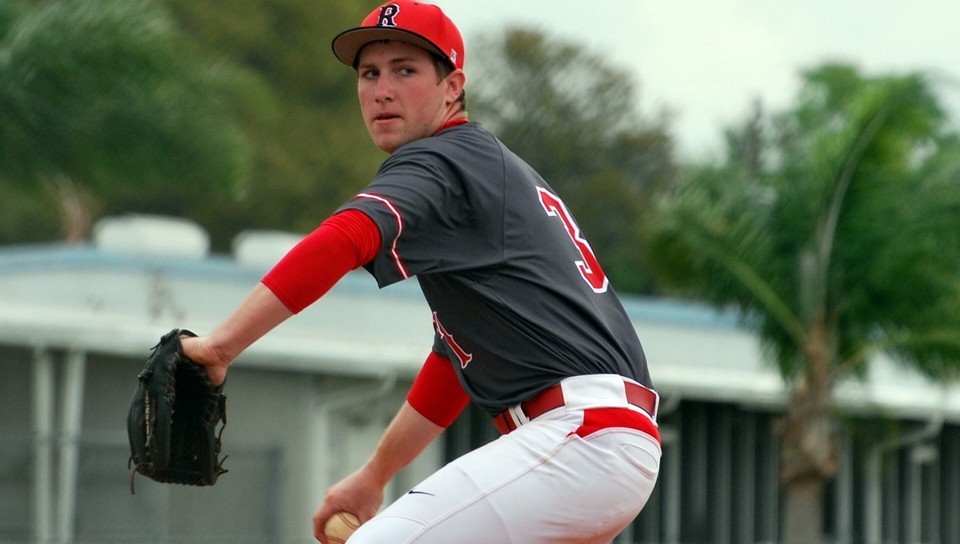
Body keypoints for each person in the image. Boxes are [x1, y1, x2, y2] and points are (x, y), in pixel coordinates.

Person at [182, 1, 661, 542]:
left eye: (405, 70)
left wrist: (221, 346)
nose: (382, 90)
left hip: (578, 439)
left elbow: (346, 239)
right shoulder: (484, 169)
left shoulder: (442, 159)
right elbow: (454, 359)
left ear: (452, 86)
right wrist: (374, 476)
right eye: (369, 74)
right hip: (603, 444)